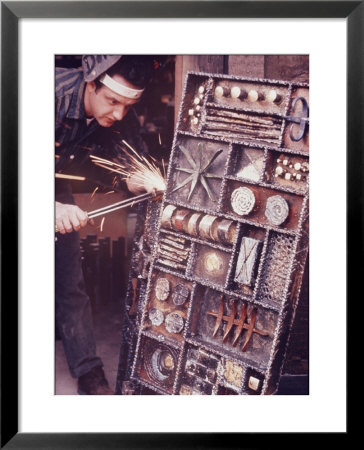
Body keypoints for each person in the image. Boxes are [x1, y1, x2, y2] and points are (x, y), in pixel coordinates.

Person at [55, 55, 159, 394]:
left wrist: (134, 180)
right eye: (112, 101)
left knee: (70, 282)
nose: (118, 114)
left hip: (55, 183)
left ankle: (88, 369)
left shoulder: (116, 115)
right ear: (91, 81)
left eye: (127, 106)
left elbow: (113, 159)